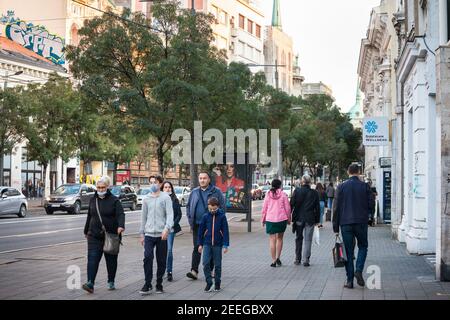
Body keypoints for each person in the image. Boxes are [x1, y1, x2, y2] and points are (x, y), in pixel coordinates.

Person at [332, 164, 374, 289]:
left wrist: (335, 227)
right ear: (359, 172)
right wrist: (369, 216)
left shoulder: (341, 187)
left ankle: (349, 281)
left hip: (345, 223)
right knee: (363, 246)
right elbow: (371, 203)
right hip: (361, 222)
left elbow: (336, 208)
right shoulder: (365, 186)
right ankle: (359, 270)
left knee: (348, 252)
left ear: (348, 172)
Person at [82, 176, 125, 293]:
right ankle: (90, 282)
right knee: (92, 259)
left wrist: (121, 226)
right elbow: (90, 215)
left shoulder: (114, 200)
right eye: (98, 187)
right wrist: (86, 231)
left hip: (110, 236)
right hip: (94, 235)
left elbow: (121, 214)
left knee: (111, 260)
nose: (100, 190)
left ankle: (111, 281)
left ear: (108, 187)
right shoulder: (93, 199)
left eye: (103, 187)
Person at [186, 171, 226, 280]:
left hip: (211, 225)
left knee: (212, 247)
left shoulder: (216, 191)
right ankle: (194, 271)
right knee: (196, 247)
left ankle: (211, 270)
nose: (202, 180)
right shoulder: (194, 192)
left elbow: (222, 207)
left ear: (209, 180)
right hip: (197, 225)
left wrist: (218, 221)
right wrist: (191, 221)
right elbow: (188, 207)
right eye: (200, 178)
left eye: (204, 178)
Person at [139, 175, 174, 295]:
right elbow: (143, 217)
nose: (153, 184)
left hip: (161, 235)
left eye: (155, 182)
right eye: (151, 182)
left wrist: (167, 228)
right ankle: (147, 284)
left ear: (160, 184)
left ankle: (159, 284)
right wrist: (141, 233)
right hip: (148, 234)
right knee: (147, 258)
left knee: (161, 260)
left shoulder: (166, 198)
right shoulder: (146, 199)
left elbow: (170, 215)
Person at [198, 197, 229, 292]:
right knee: (205, 263)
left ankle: (217, 283)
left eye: (214, 209)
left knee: (218, 265)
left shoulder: (222, 216)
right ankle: (209, 282)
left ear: (218, 207)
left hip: (218, 244)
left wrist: (225, 245)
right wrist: (200, 244)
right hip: (207, 243)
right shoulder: (205, 216)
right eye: (210, 209)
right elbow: (201, 231)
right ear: (208, 207)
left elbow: (225, 231)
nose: (212, 211)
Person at [290, 175, 320, 267]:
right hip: (310, 219)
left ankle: (297, 259)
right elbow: (317, 208)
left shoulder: (297, 191)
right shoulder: (314, 193)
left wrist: (289, 217)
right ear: (310, 182)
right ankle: (306, 259)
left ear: (302, 182)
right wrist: (317, 220)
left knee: (298, 238)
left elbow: (291, 204)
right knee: (308, 240)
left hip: (298, 218)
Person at [261, 179, 291, 267]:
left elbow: (264, 208)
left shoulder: (267, 194)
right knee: (280, 238)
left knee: (272, 239)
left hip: (270, 219)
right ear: (280, 186)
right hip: (281, 219)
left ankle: (273, 260)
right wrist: (289, 219)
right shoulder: (283, 194)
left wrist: (263, 219)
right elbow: (288, 208)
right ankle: (278, 257)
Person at [161, 181, 182, 282]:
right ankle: (161, 270)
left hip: (171, 229)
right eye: (165, 187)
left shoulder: (175, 200)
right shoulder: (159, 199)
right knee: (161, 251)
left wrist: (173, 223)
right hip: (160, 229)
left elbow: (179, 214)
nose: (167, 189)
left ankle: (169, 271)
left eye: (169, 187)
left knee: (169, 250)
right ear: (162, 189)